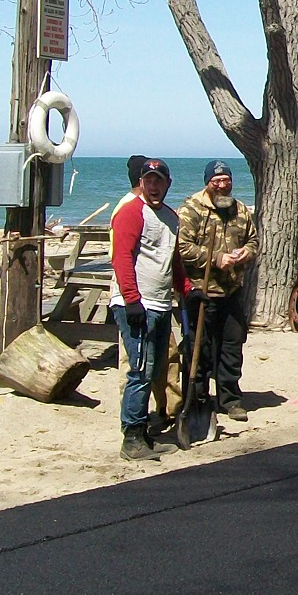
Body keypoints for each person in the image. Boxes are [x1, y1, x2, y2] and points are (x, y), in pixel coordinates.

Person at [109, 159, 191, 461]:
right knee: (140, 371)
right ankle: (131, 438)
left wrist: (187, 290)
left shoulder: (171, 218)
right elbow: (121, 257)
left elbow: (173, 262)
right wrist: (131, 300)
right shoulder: (131, 212)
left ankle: (144, 432)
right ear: (141, 183)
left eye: (159, 181)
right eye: (149, 181)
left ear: (168, 184)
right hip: (136, 305)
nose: (154, 186)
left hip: (160, 303)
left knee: (155, 368)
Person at [176, 160, 259, 423]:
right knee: (199, 349)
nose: (223, 186)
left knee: (232, 347)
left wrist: (246, 252)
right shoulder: (191, 210)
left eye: (226, 181)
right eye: (217, 181)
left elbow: (253, 240)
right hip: (202, 292)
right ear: (208, 183)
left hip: (232, 290)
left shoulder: (241, 210)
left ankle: (230, 399)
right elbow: (182, 248)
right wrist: (214, 259)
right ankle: (199, 400)